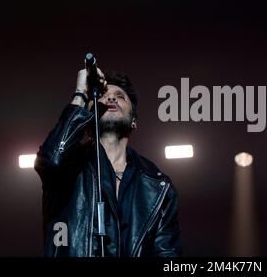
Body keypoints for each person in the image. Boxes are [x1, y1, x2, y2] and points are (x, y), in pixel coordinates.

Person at [34, 67, 181, 257]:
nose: (111, 98)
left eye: (120, 96)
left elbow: (167, 254)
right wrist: (81, 94)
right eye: (102, 96)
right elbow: (50, 160)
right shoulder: (67, 166)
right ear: (87, 115)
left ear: (134, 120)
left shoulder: (158, 187)